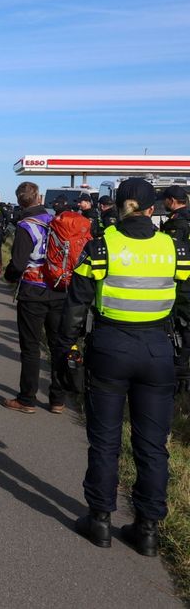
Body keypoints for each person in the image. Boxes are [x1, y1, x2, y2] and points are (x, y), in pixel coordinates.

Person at [60, 178, 190, 556]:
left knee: (104, 441)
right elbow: (185, 300)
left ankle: (99, 520)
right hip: (158, 349)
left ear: (119, 206)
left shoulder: (102, 245)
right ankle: (148, 528)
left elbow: (76, 303)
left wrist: (68, 348)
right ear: (154, 209)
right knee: (152, 445)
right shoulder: (174, 247)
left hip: (110, 347)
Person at [2, 181, 73, 414]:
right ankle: (57, 399)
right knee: (56, 346)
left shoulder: (25, 226)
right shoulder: (56, 221)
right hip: (59, 289)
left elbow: (19, 263)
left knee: (31, 347)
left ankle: (27, 398)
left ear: (20, 200)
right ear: (39, 198)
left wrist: (9, 275)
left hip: (33, 291)